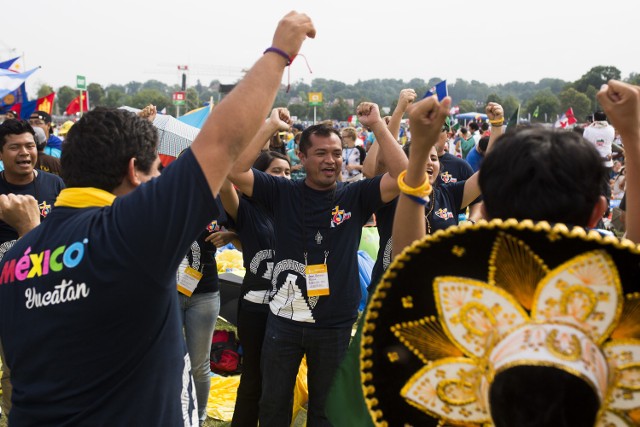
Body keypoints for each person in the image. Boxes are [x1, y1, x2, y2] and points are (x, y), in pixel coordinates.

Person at [0, 11, 316, 425]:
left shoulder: (15, 259)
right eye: (154, 174)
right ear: (135, 171)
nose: (157, 183)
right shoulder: (129, 233)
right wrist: (279, 53)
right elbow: (219, 142)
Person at [385, 79, 640, 427]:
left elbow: (408, 261)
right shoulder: (614, 289)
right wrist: (631, 132)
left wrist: (417, 159)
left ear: (485, 211)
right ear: (599, 211)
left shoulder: (462, 290)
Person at [227, 100, 408, 426]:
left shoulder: (356, 196)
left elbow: (405, 175)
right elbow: (236, 171)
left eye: (337, 153)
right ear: (302, 156)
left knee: (326, 412)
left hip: (335, 324)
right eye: (322, 153)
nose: (332, 160)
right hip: (284, 319)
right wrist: (269, 126)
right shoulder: (281, 192)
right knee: (273, 406)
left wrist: (378, 125)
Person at [220, 117, 292, 425]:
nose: (284, 177)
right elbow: (226, 177)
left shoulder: (296, 209)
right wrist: (268, 126)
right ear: (259, 176)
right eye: (276, 171)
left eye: (288, 172)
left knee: (281, 382)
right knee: (252, 379)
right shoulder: (245, 210)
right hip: (256, 309)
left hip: (291, 309)